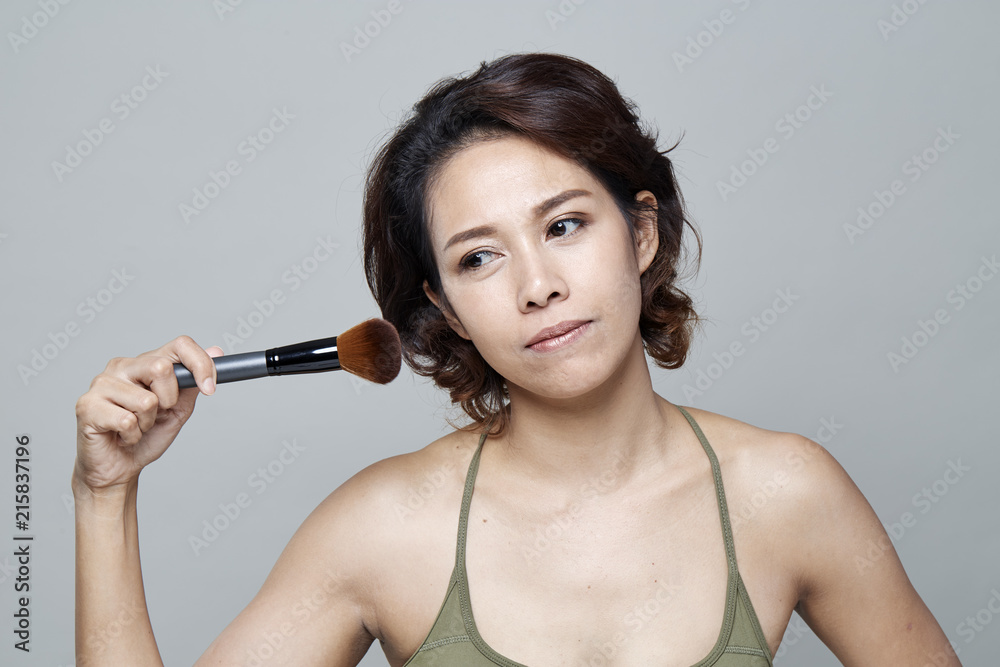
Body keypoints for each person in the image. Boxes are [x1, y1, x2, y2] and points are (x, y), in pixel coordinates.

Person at [73, 52, 960, 666]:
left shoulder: (787, 490)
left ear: (641, 233)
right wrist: (103, 497)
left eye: (565, 225)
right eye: (478, 257)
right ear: (445, 310)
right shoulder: (385, 524)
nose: (537, 284)